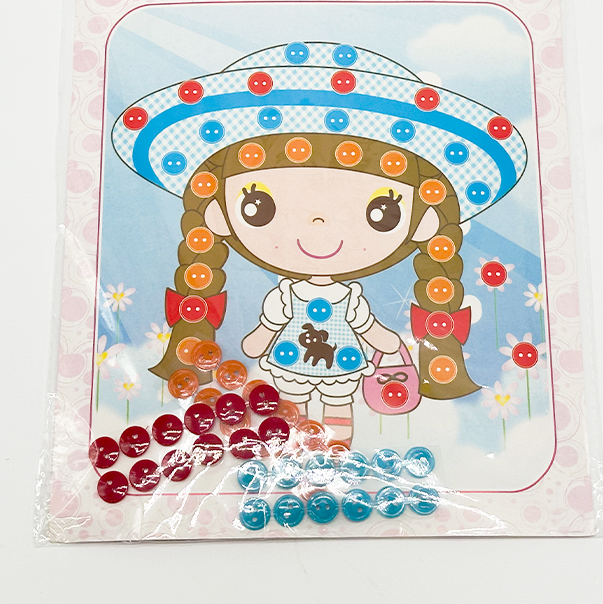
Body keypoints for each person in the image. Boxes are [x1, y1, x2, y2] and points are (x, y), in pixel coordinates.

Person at [112, 41, 528, 443]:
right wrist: (257, 341)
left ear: (423, 223)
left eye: (381, 211)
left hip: (342, 364)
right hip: (290, 361)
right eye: (258, 206)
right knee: (289, 405)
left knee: (337, 405)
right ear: (219, 215)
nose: (318, 225)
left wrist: (387, 344)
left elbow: (366, 326)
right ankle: (293, 443)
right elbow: (270, 326)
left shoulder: (348, 299)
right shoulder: (286, 296)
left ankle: (337, 448)